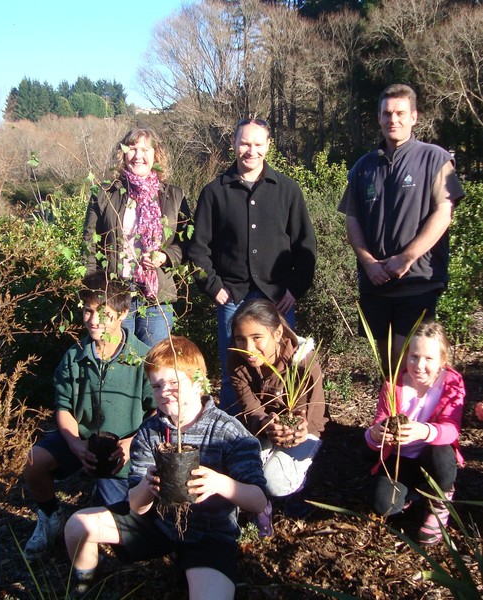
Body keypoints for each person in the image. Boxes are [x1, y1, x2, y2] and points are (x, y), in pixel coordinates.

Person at [64, 335, 267, 599]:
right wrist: (147, 487)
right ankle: (84, 585)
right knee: (77, 526)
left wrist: (220, 483)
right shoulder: (151, 431)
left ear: (198, 384)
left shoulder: (228, 432)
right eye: (157, 386)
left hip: (209, 536)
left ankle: (193, 568)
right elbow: (136, 506)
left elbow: (259, 501)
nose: (164, 392)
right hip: (158, 525)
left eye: (174, 383)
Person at [188, 118, 317, 412]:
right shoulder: (214, 192)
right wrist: (213, 286)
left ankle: (280, 432)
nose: (251, 150)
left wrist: (295, 290)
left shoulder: (287, 190)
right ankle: (237, 438)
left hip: (278, 299)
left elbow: (306, 247)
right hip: (232, 297)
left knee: (284, 367)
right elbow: (198, 249)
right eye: (245, 143)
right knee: (234, 370)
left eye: (258, 144)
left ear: (268, 146)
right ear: (233, 144)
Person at [22, 272, 154, 560]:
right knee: (34, 463)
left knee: (126, 547)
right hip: (81, 440)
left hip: (121, 453)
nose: (94, 320)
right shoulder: (74, 356)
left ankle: (101, 512)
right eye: (87, 311)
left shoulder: (143, 358)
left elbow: (157, 412)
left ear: (122, 314)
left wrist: (131, 445)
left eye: (103, 313)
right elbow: (64, 407)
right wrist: (75, 445)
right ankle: (50, 517)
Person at [339, 84, 464, 371]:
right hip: (375, 283)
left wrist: (406, 258)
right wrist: (369, 263)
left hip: (418, 281)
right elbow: (352, 218)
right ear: (379, 117)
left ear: (414, 117)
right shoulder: (362, 167)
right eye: (386, 113)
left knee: (412, 364)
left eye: (400, 113)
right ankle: (391, 415)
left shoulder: (435, 158)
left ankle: (416, 416)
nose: (392, 119)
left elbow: (444, 212)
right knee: (386, 366)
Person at [227, 298, 329, 536]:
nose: (248, 349)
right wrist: (266, 424)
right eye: (240, 339)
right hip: (263, 429)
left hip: (303, 434)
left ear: (277, 333)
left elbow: (314, 416)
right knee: (245, 472)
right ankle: (261, 510)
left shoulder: (304, 360)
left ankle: (299, 490)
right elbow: (250, 409)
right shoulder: (236, 359)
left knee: (273, 481)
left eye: (256, 338)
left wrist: (298, 431)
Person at [83, 127, 191, 348]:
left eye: (145, 149)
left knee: (156, 362)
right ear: (123, 154)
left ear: (156, 155)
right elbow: (89, 244)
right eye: (132, 148)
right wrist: (93, 290)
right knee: (117, 357)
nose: (138, 155)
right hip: (114, 296)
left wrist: (165, 257)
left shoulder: (174, 196)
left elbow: (187, 242)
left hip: (156, 297)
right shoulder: (104, 194)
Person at [365, 320, 465, 545]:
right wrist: (376, 434)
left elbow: (452, 429)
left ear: (442, 360)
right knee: (384, 507)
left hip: (432, 456)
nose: (419, 365)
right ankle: (412, 493)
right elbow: (378, 425)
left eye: (429, 358)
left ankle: (440, 499)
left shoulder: (452, 383)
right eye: (414, 356)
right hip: (401, 457)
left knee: (441, 452)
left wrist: (424, 431)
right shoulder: (394, 384)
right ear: (406, 355)